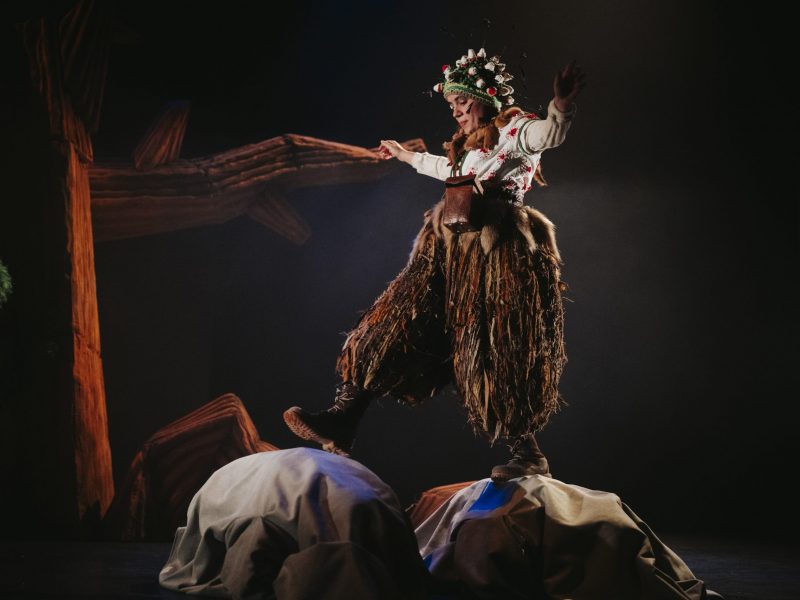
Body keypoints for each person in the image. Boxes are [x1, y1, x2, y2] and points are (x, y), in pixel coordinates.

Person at [284, 48, 586, 482]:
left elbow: (548, 136)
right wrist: (404, 156)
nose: (457, 111)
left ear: (485, 97)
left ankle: (527, 450)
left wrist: (559, 106)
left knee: (498, 346)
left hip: (497, 256)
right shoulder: (464, 147)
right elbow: (446, 168)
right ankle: (343, 417)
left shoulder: (515, 131)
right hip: (447, 254)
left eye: (463, 101)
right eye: (452, 104)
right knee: (393, 322)